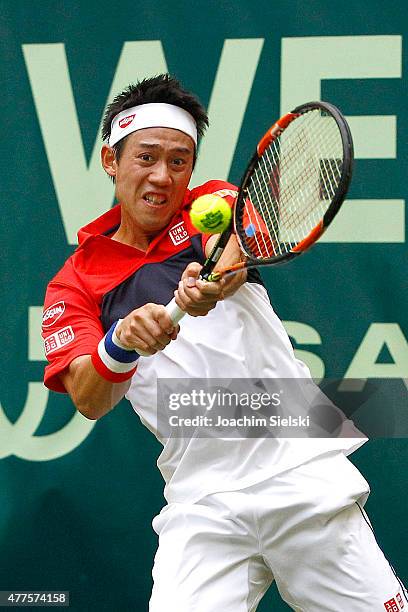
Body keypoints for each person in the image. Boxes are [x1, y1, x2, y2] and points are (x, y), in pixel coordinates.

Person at [42, 74, 406, 611]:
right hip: (201, 502)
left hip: (299, 470)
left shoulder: (212, 204)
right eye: (145, 157)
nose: (163, 176)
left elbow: (231, 250)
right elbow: (89, 399)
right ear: (110, 161)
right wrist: (119, 343)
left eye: (179, 160)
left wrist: (211, 281)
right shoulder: (74, 283)